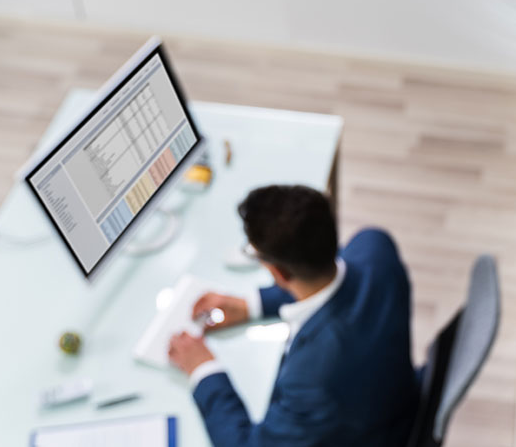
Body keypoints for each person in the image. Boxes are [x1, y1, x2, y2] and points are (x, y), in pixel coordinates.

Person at [168, 184, 418, 446]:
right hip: (391, 397)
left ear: (278, 273)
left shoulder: (312, 381)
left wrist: (203, 369)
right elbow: (332, 273)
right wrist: (252, 305)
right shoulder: (375, 247)